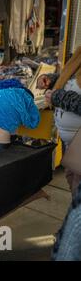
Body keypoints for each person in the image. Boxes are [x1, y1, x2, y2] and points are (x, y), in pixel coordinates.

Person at [45, 46, 81, 197]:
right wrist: (53, 80)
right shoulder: (79, 55)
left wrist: (58, 97)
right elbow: (72, 80)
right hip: (72, 145)